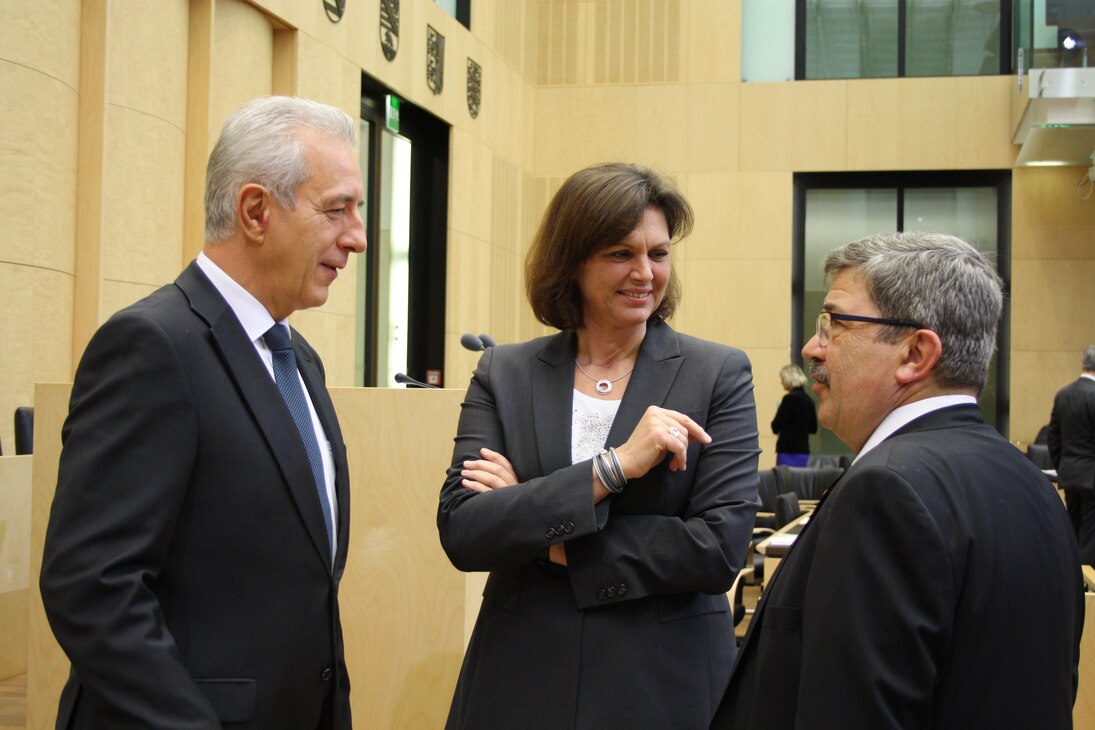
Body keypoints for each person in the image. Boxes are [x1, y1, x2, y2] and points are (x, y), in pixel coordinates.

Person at [40, 96, 366, 729]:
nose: (355, 237)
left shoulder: (298, 358)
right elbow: (93, 586)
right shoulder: (152, 345)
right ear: (254, 211)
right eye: (336, 210)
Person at [713, 232, 1083, 729]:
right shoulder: (1034, 484)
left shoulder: (885, 492)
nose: (811, 348)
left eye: (834, 325)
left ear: (914, 354)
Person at [437, 162, 760, 728]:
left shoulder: (717, 374)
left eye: (658, 254)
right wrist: (615, 468)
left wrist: (543, 530)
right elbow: (465, 531)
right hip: (521, 677)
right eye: (619, 253)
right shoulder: (505, 372)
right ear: (572, 262)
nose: (644, 273)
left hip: (663, 681)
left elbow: (717, 548)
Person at [1049, 344, 1095, 564]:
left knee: (1073, 530)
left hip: (1069, 474)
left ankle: (1071, 575)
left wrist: (1062, 466)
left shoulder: (1063, 394)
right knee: (1090, 536)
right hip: (1092, 477)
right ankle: (1086, 588)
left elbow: (1053, 438)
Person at [771, 363, 817, 466]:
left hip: (787, 451)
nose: (781, 382)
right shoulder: (809, 401)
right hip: (803, 451)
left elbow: (775, 426)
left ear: (788, 379)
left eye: (782, 378)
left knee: (784, 480)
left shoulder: (789, 399)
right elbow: (813, 429)